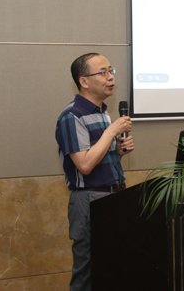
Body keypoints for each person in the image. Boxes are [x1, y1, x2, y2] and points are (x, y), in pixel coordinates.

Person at [55, 52, 134, 291]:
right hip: (90, 200)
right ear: (84, 81)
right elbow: (85, 165)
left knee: (113, 271)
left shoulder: (101, 112)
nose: (110, 77)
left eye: (111, 71)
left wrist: (117, 151)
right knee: (88, 275)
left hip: (114, 196)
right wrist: (111, 132)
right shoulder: (72, 116)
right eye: (102, 72)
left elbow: (97, 156)